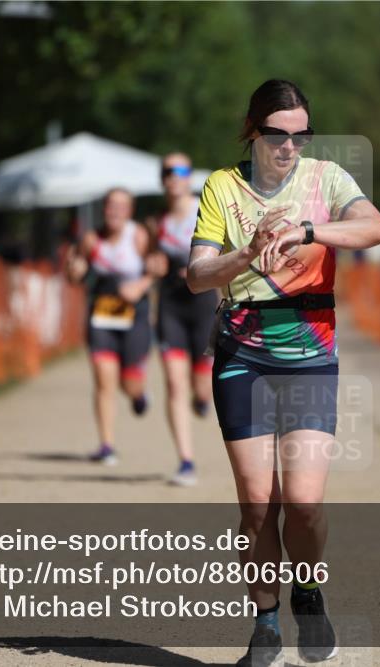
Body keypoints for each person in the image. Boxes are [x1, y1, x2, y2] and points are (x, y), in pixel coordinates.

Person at [186, 79, 380, 667]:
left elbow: (376, 229)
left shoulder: (326, 179)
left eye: (301, 136)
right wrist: (247, 253)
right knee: (257, 504)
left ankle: (307, 590)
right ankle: (265, 622)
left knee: (302, 501)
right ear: (254, 131)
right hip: (242, 354)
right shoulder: (222, 187)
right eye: (279, 135)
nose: (290, 147)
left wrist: (307, 231)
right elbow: (198, 275)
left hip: (309, 352)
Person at [66, 188, 167, 464]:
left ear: (129, 211)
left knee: (129, 383)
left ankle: (139, 395)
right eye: (110, 206)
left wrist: (141, 285)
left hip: (135, 315)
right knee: (103, 380)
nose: (114, 211)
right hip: (101, 314)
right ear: (103, 209)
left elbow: (159, 267)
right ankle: (107, 445)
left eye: (121, 206)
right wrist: (74, 272)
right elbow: (76, 271)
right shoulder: (91, 239)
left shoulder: (139, 236)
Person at [156, 152, 218, 486]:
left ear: (189, 175)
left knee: (200, 387)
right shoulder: (159, 222)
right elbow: (149, 258)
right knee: (173, 383)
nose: (173, 176)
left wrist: (203, 269)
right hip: (170, 306)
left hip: (203, 304)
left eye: (180, 170)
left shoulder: (204, 208)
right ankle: (185, 461)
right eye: (167, 171)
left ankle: (202, 397)